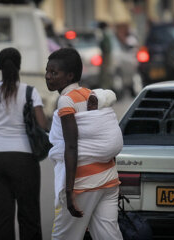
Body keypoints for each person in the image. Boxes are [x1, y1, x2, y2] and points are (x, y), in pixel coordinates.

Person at [45, 48, 123, 240]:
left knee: (63, 236)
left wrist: (70, 192)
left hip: (84, 183)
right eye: (47, 71)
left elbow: (71, 146)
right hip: (109, 179)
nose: (48, 77)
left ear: (69, 75)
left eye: (54, 73)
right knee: (108, 236)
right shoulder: (90, 94)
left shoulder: (65, 101)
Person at [0, 47, 47, 240]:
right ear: (19, 66)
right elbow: (42, 125)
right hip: (24, 160)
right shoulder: (30, 92)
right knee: (29, 217)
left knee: (1, 218)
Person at [98, 21, 113, 89]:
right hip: (106, 55)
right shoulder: (105, 34)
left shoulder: (104, 34)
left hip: (105, 56)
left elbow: (106, 47)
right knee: (105, 73)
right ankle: (106, 86)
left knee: (105, 73)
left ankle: (105, 87)